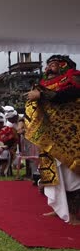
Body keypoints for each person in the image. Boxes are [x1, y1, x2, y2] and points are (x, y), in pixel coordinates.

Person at [25, 55, 80, 224]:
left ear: (64, 67)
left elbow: (69, 95)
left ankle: (73, 213)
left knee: (71, 175)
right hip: (50, 136)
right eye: (48, 65)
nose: (48, 68)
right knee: (54, 172)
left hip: (70, 137)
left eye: (54, 65)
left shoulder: (74, 76)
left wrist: (42, 95)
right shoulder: (42, 86)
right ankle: (58, 208)